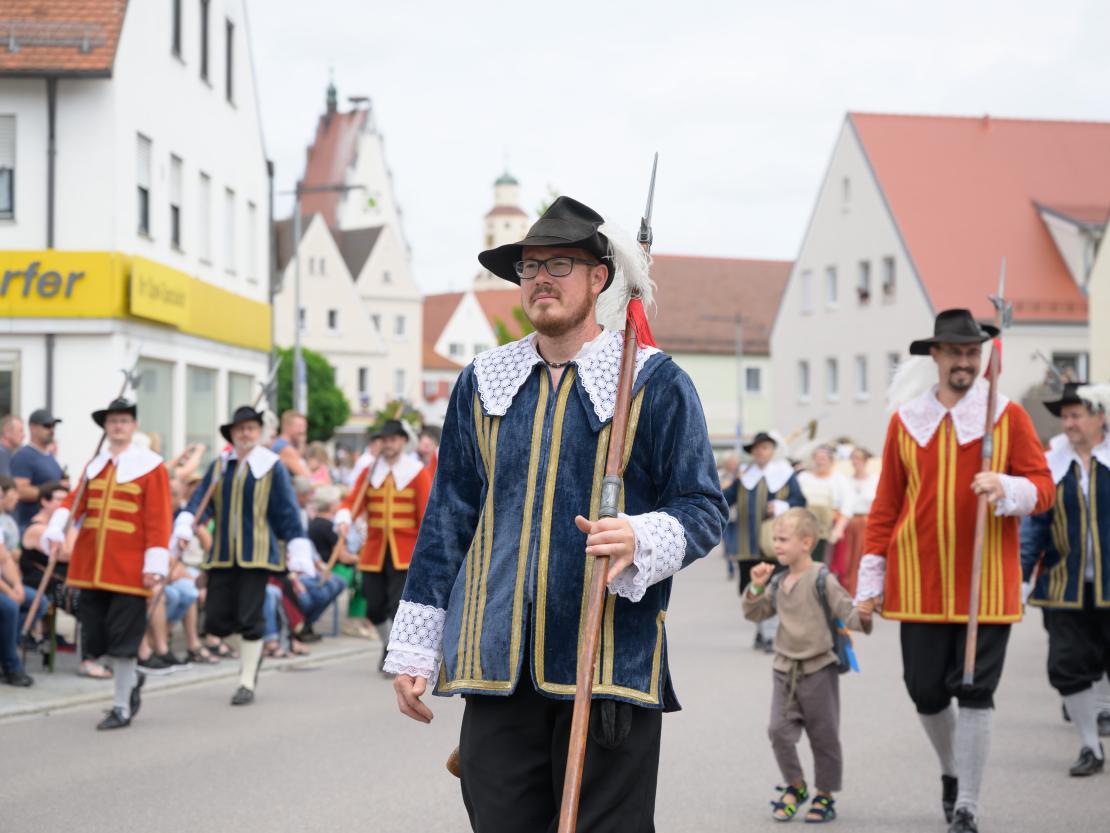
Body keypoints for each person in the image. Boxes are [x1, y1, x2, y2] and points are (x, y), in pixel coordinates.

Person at [387, 196, 727, 831]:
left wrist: (640, 534)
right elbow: (447, 520)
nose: (541, 278)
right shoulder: (483, 381)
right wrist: (416, 648)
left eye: (560, 264)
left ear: (600, 278)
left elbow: (704, 507)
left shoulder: (654, 382)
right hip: (497, 666)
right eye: (530, 267)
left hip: (607, 666)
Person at [855, 309, 1054, 833]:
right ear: (936, 356)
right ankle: (951, 770)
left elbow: (1043, 487)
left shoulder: (1007, 417)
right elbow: (885, 508)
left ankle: (967, 801)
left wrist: (1007, 488)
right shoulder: (906, 421)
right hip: (917, 583)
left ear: (982, 358)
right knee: (925, 691)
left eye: (973, 353)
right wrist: (868, 588)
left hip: (984, 584)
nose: (965, 361)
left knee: (975, 690)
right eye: (956, 352)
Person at [42, 398, 173, 730]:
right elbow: (74, 503)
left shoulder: (150, 466)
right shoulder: (94, 465)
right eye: (113, 421)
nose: (118, 426)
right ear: (106, 427)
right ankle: (132, 680)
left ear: (133, 427)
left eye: (124, 421)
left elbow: (159, 518)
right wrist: (57, 528)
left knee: (124, 639)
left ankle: (121, 708)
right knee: (97, 638)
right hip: (91, 568)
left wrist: (155, 563)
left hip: (130, 570)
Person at [172, 405, 316, 706]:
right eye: (240, 429)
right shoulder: (220, 465)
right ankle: (251, 654)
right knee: (216, 620)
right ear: (232, 434)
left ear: (259, 432)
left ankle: (246, 679)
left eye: (251, 428)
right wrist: (187, 523)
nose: (246, 433)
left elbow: (287, 511)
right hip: (222, 554)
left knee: (250, 618)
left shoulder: (271, 466)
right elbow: (201, 502)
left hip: (257, 555)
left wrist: (296, 545)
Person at [743, 508, 872, 822]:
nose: (777, 546)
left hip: (819, 670)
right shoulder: (779, 580)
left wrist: (866, 612)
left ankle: (825, 795)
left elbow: (848, 611)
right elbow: (755, 613)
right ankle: (796, 785)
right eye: (775, 539)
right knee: (778, 732)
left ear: (806, 542)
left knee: (823, 736)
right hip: (784, 668)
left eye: (783, 539)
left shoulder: (822, 578)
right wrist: (757, 587)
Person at [1020, 382, 1110, 776]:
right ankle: (1091, 746)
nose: (1068, 422)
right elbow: (1033, 526)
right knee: (1068, 664)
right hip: (1064, 586)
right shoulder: (1052, 463)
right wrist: (1021, 578)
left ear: (1100, 417)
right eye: (1065, 415)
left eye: (1077, 414)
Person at [335, 418, 432, 670]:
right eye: (384, 440)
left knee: (396, 607)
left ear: (402, 441)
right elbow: (351, 502)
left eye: (393, 439)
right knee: (373, 606)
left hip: (406, 552)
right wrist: (345, 518)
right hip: (374, 551)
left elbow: (426, 513)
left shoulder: (416, 471)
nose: (388, 444)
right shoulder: (369, 472)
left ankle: (396, 657)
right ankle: (387, 644)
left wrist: (429, 550)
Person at [723, 431, 807, 651]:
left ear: (772, 451)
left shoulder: (785, 474)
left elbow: (800, 500)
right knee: (749, 588)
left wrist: (782, 506)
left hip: (775, 544)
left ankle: (772, 635)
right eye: (757, 449)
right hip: (746, 544)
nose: (760, 452)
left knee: (775, 586)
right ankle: (761, 631)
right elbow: (725, 499)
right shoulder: (744, 476)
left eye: (765, 448)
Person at [828, 448, 878, 597]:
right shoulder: (845, 480)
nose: (855, 461)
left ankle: (864, 592)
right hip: (847, 523)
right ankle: (846, 591)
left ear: (865, 461)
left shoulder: (874, 480)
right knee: (845, 560)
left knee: (862, 558)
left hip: (866, 523)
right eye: (853, 458)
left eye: (858, 458)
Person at [11, 409, 65, 531]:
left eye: (53, 426)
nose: (51, 430)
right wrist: (46, 491)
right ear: (33, 428)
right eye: (47, 425)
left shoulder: (49, 457)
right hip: (30, 526)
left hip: (49, 526)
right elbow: (19, 491)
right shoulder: (24, 456)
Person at [797, 446, 852, 563]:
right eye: (817, 458)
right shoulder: (803, 478)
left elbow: (848, 506)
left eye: (823, 458)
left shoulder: (840, 480)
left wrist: (838, 529)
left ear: (831, 461)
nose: (820, 461)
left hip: (829, 527)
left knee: (826, 560)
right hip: (805, 525)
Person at [271, 410, 310, 478]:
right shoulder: (285, 449)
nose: (302, 430)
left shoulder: (279, 443)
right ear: (286, 426)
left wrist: (301, 443)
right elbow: (306, 476)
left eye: (304, 426)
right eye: (299, 426)